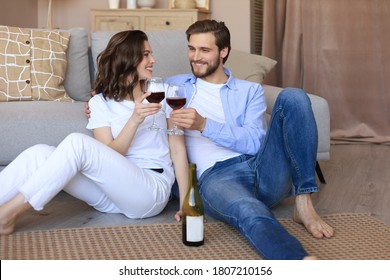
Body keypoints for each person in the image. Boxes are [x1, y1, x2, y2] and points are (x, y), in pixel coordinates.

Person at [164, 20, 334, 260]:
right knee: (249, 210)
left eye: (204, 50)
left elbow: (255, 141)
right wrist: (97, 98)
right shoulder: (174, 86)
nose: (195, 57)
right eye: (192, 48)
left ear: (223, 52)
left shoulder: (249, 90)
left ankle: (304, 202)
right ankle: (299, 262)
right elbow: (130, 89)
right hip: (215, 177)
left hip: (262, 166)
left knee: (294, 97)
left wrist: (204, 125)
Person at [0, 30, 188, 235]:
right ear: (128, 58)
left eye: (150, 53)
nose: (153, 59)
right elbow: (110, 154)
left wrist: (187, 202)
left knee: (76, 142)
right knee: (39, 153)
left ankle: (7, 215)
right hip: (111, 194)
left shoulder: (165, 94)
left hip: (150, 191)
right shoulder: (101, 102)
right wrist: (135, 119)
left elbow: (178, 151)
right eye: (145, 54)